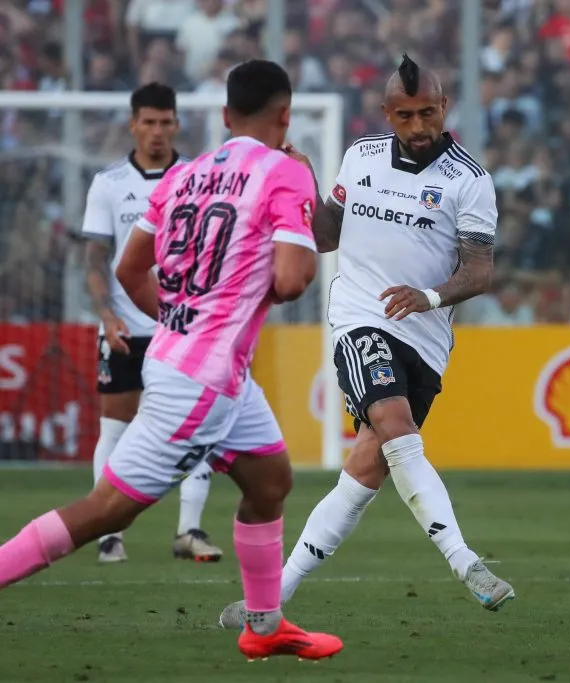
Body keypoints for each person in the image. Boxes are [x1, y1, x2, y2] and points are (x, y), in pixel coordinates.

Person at [0, 60, 343, 661]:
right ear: (286, 116)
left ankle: (264, 627)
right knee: (107, 512)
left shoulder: (183, 178)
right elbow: (291, 281)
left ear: (224, 117)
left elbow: (130, 269)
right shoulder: (285, 174)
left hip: (199, 366)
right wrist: (304, 205)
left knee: (270, 481)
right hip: (202, 383)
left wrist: (186, 322)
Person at [218, 54, 515, 630]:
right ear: (387, 114)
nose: (419, 125)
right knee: (396, 425)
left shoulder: (469, 179)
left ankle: (268, 600)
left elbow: (479, 271)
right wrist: (303, 184)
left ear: (444, 106)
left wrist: (427, 298)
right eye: (405, 115)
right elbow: (326, 236)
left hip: (425, 338)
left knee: (363, 472)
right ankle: (466, 562)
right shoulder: (361, 158)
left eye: (428, 112)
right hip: (361, 319)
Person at [82, 82, 221, 564]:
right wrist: (106, 314)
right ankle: (108, 534)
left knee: (200, 428)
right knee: (115, 428)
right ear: (133, 124)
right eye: (149, 122)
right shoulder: (109, 183)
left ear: (177, 124)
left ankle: (190, 531)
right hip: (125, 326)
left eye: (166, 122)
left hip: (183, 328)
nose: (158, 131)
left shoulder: (199, 178)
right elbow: (97, 258)